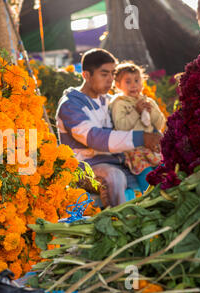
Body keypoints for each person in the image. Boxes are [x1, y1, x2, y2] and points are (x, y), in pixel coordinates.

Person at [55, 48, 162, 207]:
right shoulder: (71, 105)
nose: (110, 80)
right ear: (86, 75)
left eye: (113, 74)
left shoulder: (111, 101)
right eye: (104, 74)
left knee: (156, 171)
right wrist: (142, 137)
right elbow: (94, 138)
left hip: (118, 161)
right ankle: (119, 223)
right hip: (85, 167)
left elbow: (133, 124)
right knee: (114, 176)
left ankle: (155, 214)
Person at [109, 62, 166, 193]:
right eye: (128, 82)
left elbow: (160, 124)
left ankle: (167, 196)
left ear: (142, 82)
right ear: (118, 85)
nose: (134, 85)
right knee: (146, 176)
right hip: (134, 150)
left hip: (152, 147)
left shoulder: (147, 101)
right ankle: (149, 199)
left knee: (164, 170)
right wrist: (136, 112)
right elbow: (121, 127)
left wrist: (151, 111)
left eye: (136, 80)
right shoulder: (119, 103)